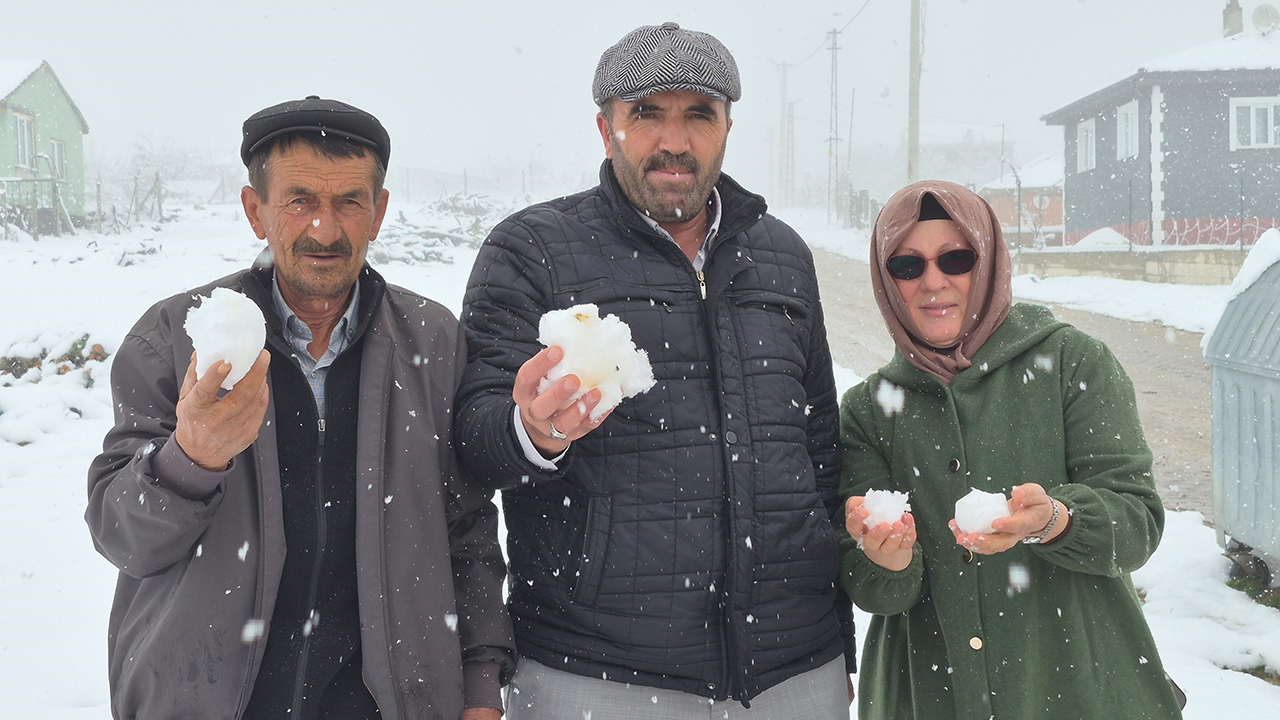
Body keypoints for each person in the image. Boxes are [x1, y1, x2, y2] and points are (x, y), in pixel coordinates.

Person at [454, 22, 853, 719]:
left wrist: (837, 637)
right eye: (646, 115)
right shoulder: (532, 250)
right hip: (600, 675)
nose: (675, 141)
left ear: (727, 125)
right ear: (606, 130)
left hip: (794, 672)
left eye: (699, 114)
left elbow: (819, 455)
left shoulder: (782, 255)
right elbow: (473, 440)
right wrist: (531, 431)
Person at [85, 96, 514, 720]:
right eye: (300, 200)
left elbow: (466, 528)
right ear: (255, 211)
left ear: (380, 212)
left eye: (349, 201)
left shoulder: (433, 342)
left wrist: (479, 690)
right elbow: (122, 535)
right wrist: (192, 458)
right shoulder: (177, 337)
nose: (325, 228)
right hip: (203, 701)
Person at [839, 180, 1184, 719]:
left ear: (990, 260)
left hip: (1079, 691)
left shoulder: (1074, 363)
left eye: (956, 258)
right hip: (928, 699)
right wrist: (888, 559)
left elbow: (1136, 524)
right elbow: (874, 590)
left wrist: (1056, 521)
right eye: (908, 266)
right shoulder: (866, 409)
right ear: (888, 282)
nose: (934, 281)